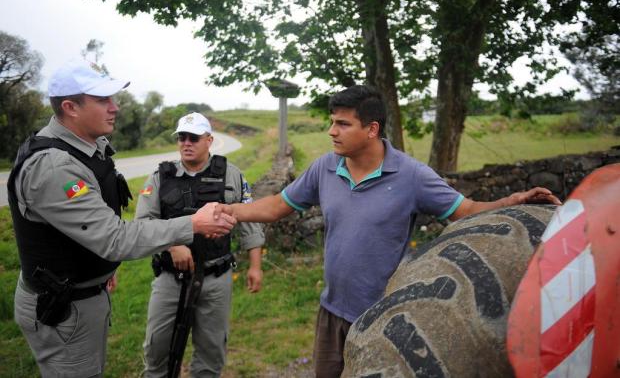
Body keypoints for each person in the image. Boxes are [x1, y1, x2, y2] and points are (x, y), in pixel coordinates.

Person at [218, 85, 561, 378]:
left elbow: (465, 212)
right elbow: (279, 205)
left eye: (342, 123)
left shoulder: (412, 175)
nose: (331, 131)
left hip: (383, 316)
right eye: (331, 122)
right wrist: (230, 211)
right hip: (331, 310)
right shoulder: (325, 167)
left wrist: (513, 200)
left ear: (371, 129)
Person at [8, 59, 236, 377]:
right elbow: (114, 238)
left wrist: (103, 268)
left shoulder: (88, 149)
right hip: (64, 307)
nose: (115, 107)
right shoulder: (55, 167)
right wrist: (193, 224)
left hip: (84, 293)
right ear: (71, 107)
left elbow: (88, 228)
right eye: (103, 100)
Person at [137, 112, 264, 377]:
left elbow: (251, 220)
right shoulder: (160, 177)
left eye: (193, 138)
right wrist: (173, 245)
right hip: (171, 278)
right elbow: (143, 223)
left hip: (216, 277)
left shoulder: (231, 175)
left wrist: (255, 266)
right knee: (157, 350)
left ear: (209, 140)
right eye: (181, 137)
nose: (186, 143)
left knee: (211, 353)